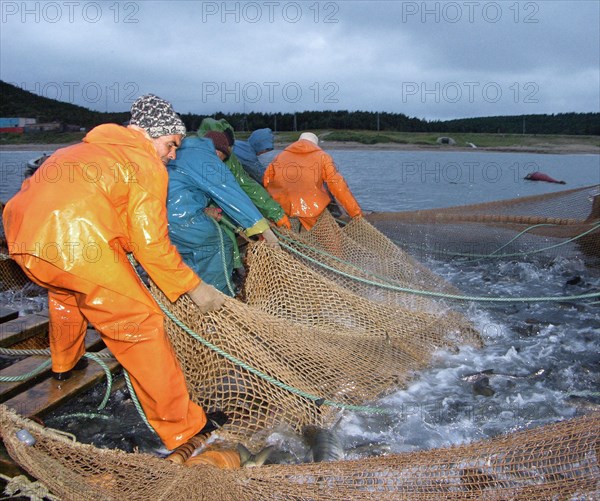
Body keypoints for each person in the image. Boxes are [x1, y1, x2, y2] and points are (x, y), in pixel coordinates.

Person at [2, 94, 226, 451]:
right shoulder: (144, 163)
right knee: (140, 324)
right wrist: (194, 286)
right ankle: (183, 428)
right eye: (170, 145)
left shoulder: (74, 151)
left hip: (23, 241)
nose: (172, 155)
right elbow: (152, 244)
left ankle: (64, 363)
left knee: (65, 295)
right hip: (75, 244)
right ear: (151, 136)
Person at [166, 131, 279, 296]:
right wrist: (261, 227)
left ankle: (189, 298)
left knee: (184, 258)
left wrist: (203, 210)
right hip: (182, 222)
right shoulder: (206, 158)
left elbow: (178, 190)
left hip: (161, 219)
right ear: (219, 152)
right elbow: (230, 193)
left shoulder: (182, 152)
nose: (222, 163)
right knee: (219, 246)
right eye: (222, 159)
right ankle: (219, 302)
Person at [263, 132, 363, 230]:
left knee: (288, 236)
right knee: (328, 240)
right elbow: (338, 186)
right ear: (315, 144)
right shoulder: (323, 156)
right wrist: (355, 213)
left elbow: (266, 181)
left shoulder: (279, 156)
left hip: (282, 206)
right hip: (311, 207)